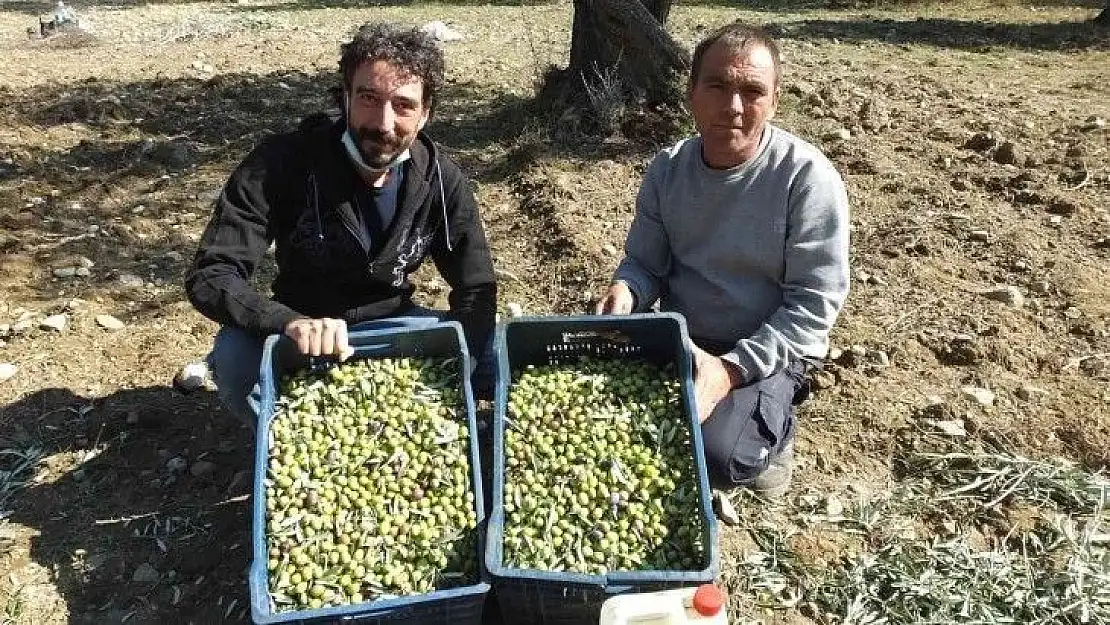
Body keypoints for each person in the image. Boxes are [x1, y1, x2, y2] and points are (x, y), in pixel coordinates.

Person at [185, 22, 497, 424]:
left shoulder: (440, 178)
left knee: (496, 352)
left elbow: (476, 287)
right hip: (302, 332)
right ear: (344, 97)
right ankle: (296, 433)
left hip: (394, 329)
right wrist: (290, 322)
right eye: (368, 98)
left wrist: (457, 368)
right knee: (232, 359)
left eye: (403, 105)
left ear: (425, 114)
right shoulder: (281, 164)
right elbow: (212, 275)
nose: (384, 123)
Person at [596, 22, 850, 497]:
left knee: (714, 455)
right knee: (605, 423)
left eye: (751, 91)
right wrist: (626, 289)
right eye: (716, 86)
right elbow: (644, 264)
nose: (733, 106)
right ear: (691, 93)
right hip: (687, 338)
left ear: (774, 101)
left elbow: (813, 307)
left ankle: (773, 428)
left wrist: (730, 370)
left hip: (769, 348)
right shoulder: (668, 169)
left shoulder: (807, 179)